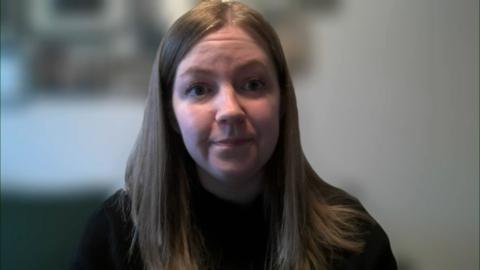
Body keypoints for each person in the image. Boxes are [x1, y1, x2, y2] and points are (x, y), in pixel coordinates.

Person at [72, 1, 397, 269]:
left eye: (253, 84)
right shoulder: (115, 237)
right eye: (199, 89)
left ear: (282, 102)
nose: (229, 110)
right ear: (170, 113)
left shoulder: (354, 238)